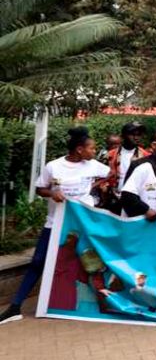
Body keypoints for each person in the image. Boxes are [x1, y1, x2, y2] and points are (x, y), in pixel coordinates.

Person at [1, 128, 109, 326]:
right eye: (92, 148)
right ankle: (15, 307)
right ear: (79, 149)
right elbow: (40, 188)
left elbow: (113, 174)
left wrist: (98, 187)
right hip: (56, 223)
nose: (94, 151)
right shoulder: (54, 166)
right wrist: (52, 194)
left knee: (91, 262)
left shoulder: (93, 165)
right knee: (38, 262)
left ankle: (102, 306)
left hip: (83, 225)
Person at [104, 121, 150, 197]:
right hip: (113, 197)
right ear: (123, 136)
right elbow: (101, 176)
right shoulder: (110, 155)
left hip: (136, 198)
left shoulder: (146, 156)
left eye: (139, 135)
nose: (136, 138)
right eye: (132, 134)